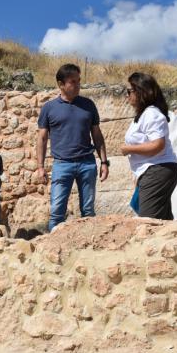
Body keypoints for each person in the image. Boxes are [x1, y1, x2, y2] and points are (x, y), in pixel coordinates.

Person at [36, 63, 109, 231]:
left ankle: (89, 244)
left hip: (87, 163)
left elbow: (97, 135)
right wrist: (40, 167)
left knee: (88, 211)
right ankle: (53, 247)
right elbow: (42, 138)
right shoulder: (49, 108)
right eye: (72, 82)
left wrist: (104, 162)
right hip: (62, 164)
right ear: (61, 84)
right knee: (56, 212)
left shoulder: (88, 105)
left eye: (78, 81)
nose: (77, 85)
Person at [121, 72, 177, 220]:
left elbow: (158, 145)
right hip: (153, 170)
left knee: (149, 221)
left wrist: (128, 149)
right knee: (162, 220)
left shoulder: (152, 114)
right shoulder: (144, 115)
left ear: (140, 91)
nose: (126, 95)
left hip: (158, 169)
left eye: (129, 91)